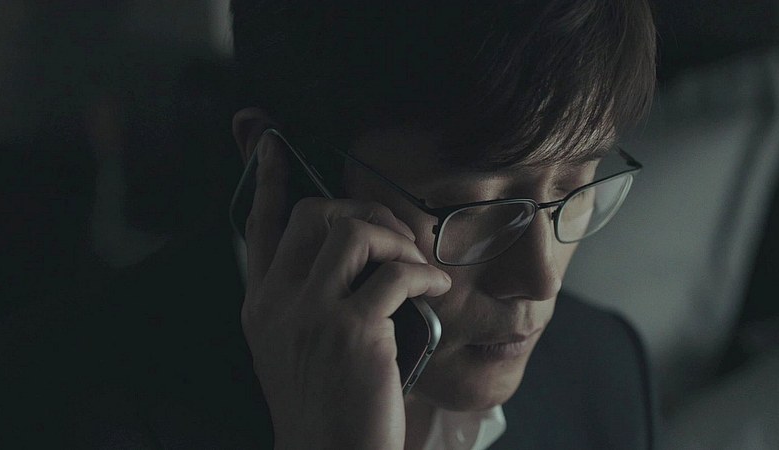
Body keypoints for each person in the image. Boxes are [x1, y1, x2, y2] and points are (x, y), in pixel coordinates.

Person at [228, 1, 658, 449]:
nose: (542, 281)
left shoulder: (606, 371)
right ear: (279, 167)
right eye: (470, 206)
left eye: (576, 188)